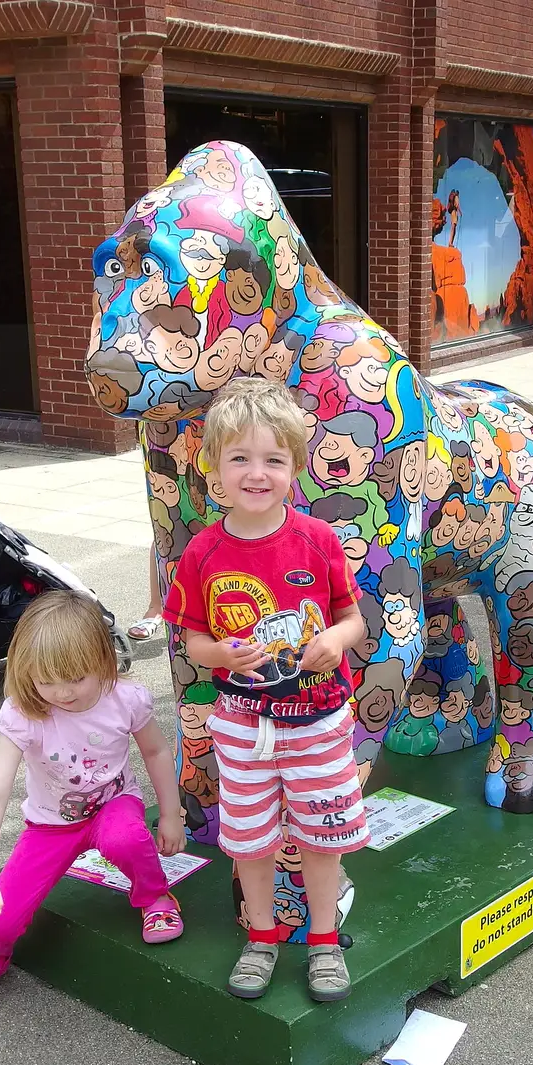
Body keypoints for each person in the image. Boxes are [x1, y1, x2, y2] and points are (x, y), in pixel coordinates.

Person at [162, 377, 370, 1003]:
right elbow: (191, 642)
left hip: (318, 720)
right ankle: (261, 935)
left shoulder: (319, 540)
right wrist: (220, 652)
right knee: (250, 839)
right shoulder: (201, 552)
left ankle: (325, 941)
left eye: (274, 459)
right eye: (240, 458)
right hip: (242, 724)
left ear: (296, 468)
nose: (258, 473)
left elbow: (353, 618)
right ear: (213, 470)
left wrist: (337, 639)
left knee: (321, 835)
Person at [0, 589, 187, 999]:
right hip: (51, 824)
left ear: (103, 659)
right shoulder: (24, 712)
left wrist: (172, 814)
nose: (64, 692)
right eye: (47, 681)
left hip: (114, 804)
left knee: (124, 837)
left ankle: (155, 896)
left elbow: (156, 750)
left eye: (77, 678)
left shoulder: (124, 698)